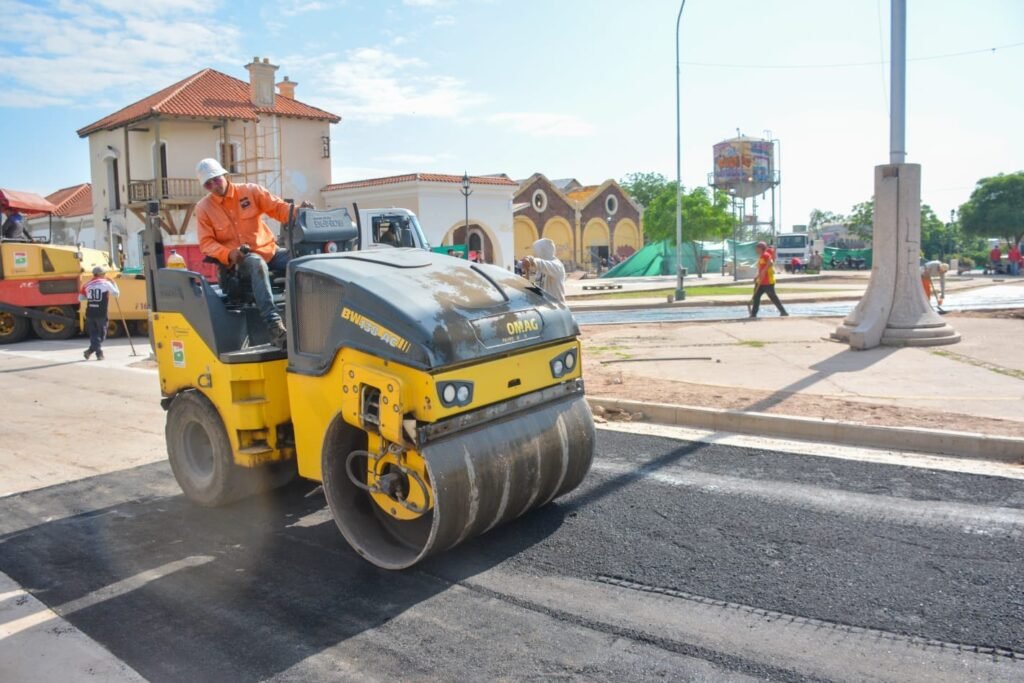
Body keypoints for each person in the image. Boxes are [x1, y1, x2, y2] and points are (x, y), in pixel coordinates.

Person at [195, 157, 306, 348]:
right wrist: (228, 253)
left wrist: (298, 212)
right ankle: (274, 326)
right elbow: (206, 243)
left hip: (269, 252)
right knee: (256, 263)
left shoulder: (250, 192)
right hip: (240, 264)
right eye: (208, 184)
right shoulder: (204, 208)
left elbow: (277, 208)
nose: (214, 185)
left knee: (301, 260)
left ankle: (307, 313)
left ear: (225, 176)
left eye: (216, 179)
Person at [80, 266, 120, 361]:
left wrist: (90, 296)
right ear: (100, 274)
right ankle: (99, 353)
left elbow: (80, 298)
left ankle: (90, 351)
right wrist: (114, 283)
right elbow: (116, 294)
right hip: (101, 313)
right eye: (104, 273)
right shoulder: (106, 283)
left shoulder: (87, 285)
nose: (105, 275)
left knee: (94, 334)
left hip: (90, 312)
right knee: (102, 335)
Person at [750, 241, 788, 318]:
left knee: (773, 297)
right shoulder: (761, 256)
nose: (756, 249)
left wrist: (764, 270)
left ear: (761, 248)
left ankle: (783, 312)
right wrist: (757, 276)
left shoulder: (766, 255)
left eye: (757, 248)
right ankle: (753, 314)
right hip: (760, 281)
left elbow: (770, 262)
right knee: (756, 297)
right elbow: (761, 269)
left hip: (768, 282)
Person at [522, 238, 566, 303]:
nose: (534, 254)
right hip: (543, 306)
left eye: (536, 251)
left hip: (556, 306)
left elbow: (540, 263)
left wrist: (530, 259)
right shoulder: (538, 267)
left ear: (543, 251)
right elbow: (531, 287)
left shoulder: (556, 266)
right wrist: (527, 271)